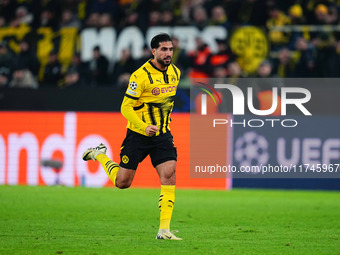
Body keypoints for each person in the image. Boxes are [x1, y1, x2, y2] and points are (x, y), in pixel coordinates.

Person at [82, 33, 182, 240]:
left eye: (170, 49)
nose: (168, 53)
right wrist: (144, 126)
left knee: (169, 175)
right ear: (153, 51)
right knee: (122, 183)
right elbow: (125, 108)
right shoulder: (140, 75)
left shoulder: (175, 73)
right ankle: (100, 154)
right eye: (164, 49)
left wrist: (159, 126)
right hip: (138, 135)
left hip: (162, 135)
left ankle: (164, 230)